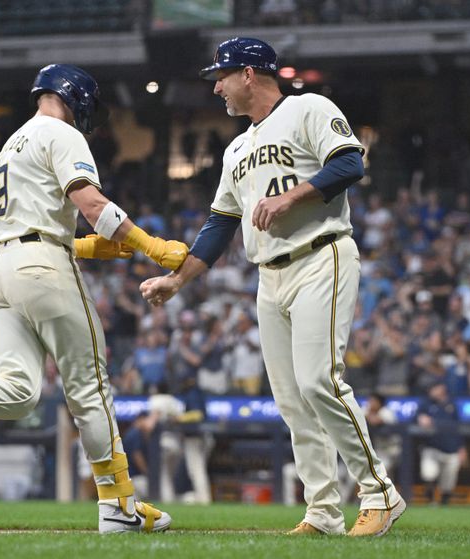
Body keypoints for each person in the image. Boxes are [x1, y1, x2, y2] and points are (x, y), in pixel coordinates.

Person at [0, 64, 188, 534]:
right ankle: (118, 505)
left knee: (20, 391)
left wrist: (83, 247)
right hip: (39, 267)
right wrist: (153, 247)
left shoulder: (11, 144)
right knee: (90, 385)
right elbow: (93, 206)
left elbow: (27, 226)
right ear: (74, 97)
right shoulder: (61, 133)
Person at [140, 37, 405, 537]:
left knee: (318, 381)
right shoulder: (235, 147)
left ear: (248, 74)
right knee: (290, 399)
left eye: (221, 75)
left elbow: (351, 163)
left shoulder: (308, 108)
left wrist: (294, 197)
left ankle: (379, 493)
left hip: (319, 253)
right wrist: (177, 280)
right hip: (269, 275)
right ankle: (323, 511)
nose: (215, 86)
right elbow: (220, 225)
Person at [416, 381, 465, 505]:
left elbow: (459, 428)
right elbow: (414, 419)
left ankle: (444, 502)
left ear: (442, 388)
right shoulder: (426, 404)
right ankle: (431, 499)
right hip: (432, 447)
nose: (431, 391)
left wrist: (462, 448)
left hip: (451, 448)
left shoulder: (452, 405)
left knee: (448, 481)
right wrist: (419, 418)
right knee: (428, 474)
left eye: (434, 388)